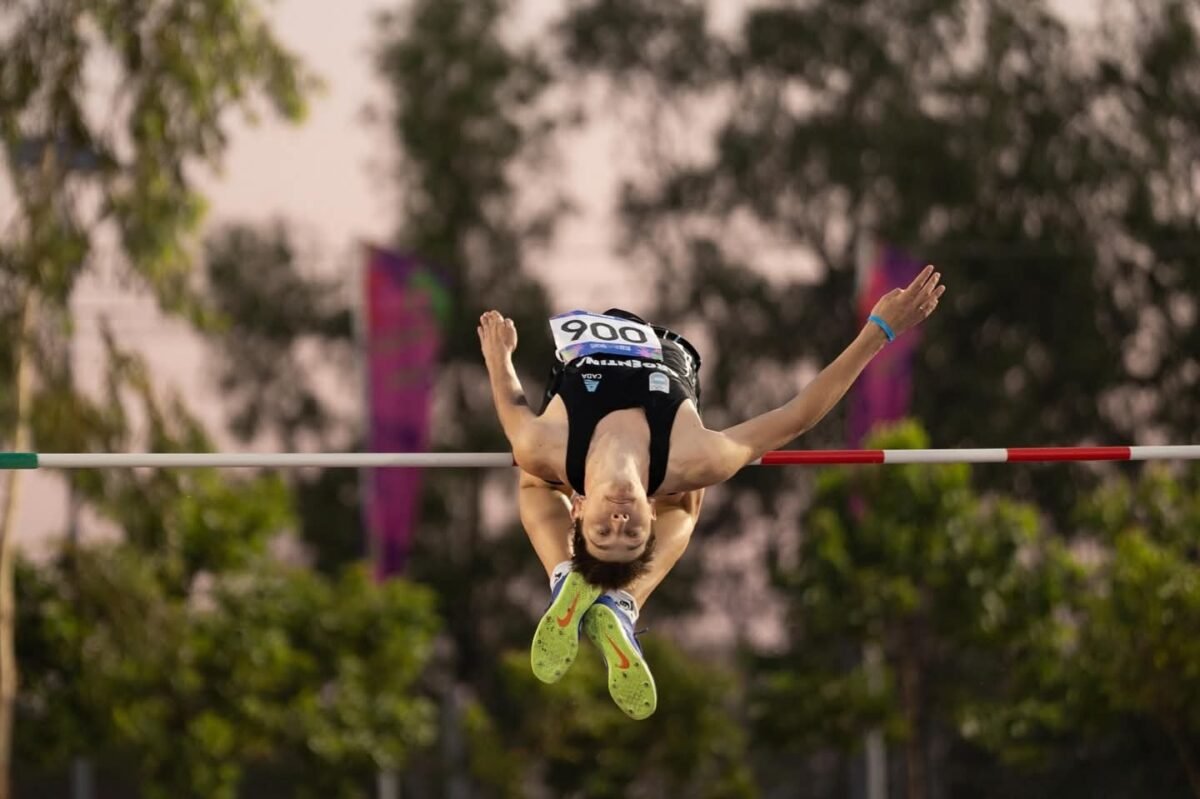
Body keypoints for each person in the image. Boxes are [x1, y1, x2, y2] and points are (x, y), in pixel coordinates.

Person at [478, 265, 945, 719]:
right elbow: (796, 416)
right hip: (669, 354)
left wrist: (499, 357)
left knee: (532, 476)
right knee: (688, 497)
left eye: (604, 532)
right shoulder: (695, 457)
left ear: (577, 510)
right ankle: (620, 603)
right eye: (632, 534)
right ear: (649, 516)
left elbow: (511, 400)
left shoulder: (544, 445)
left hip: (577, 391)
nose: (619, 522)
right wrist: (879, 332)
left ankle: (568, 576)